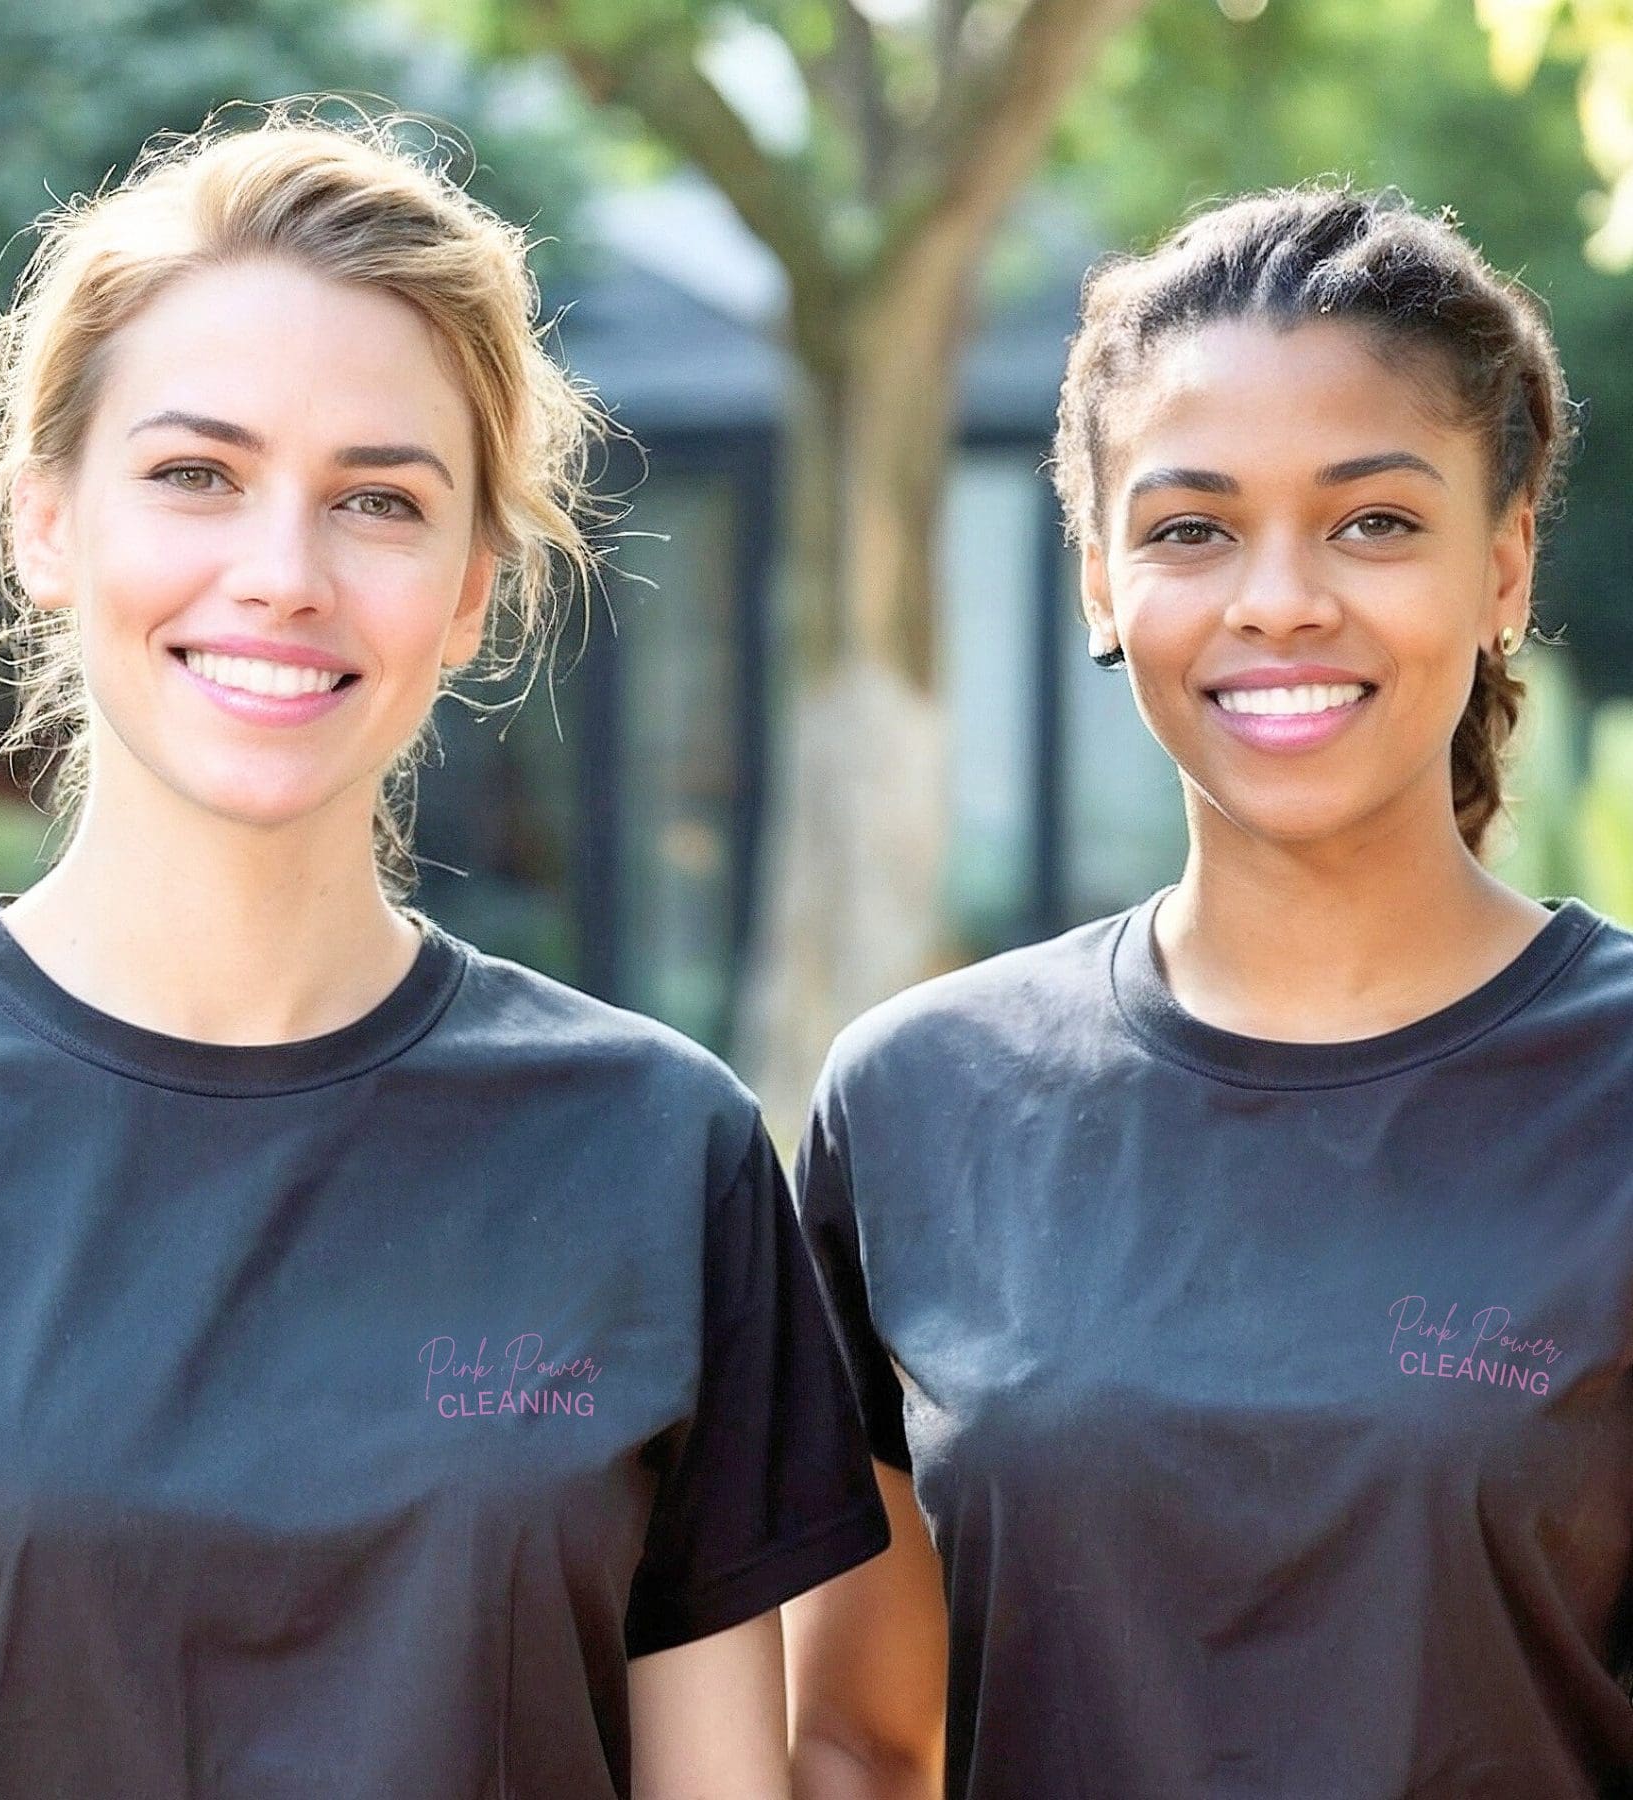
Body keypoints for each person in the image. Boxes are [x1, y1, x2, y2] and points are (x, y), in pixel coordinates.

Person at [0, 104, 886, 1800]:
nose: (282, 573)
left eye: (378, 501)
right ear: (45, 524)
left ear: (474, 586)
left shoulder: (649, 1149)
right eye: (195, 474)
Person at [785, 185, 1633, 1799]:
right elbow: (856, 1742)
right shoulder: (917, 1102)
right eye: (1191, 528)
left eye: (1374, 520)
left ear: (1506, 565)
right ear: (1103, 584)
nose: (1278, 600)